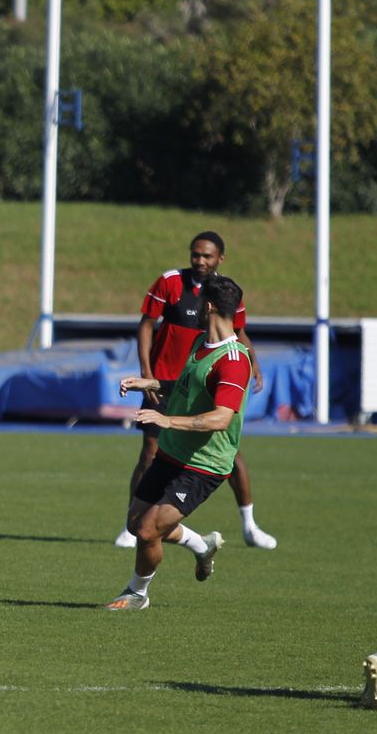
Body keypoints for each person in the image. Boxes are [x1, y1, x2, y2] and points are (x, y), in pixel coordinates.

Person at [114, 231, 277, 551]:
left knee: (230, 456)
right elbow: (146, 324)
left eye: (207, 256)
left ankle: (249, 525)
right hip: (175, 382)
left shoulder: (228, 298)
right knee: (150, 455)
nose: (200, 260)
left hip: (207, 389)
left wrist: (252, 363)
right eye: (196, 254)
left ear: (220, 259)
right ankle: (169, 534)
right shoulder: (171, 283)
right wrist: (148, 375)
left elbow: (239, 333)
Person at [106, 274, 252, 611]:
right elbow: (189, 385)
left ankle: (136, 594)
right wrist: (152, 382)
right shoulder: (202, 342)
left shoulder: (232, 360)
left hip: (202, 466)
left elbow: (221, 418)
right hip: (172, 452)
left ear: (210, 306)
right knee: (135, 522)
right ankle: (201, 545)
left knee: (146, 532)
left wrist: (166, 419)